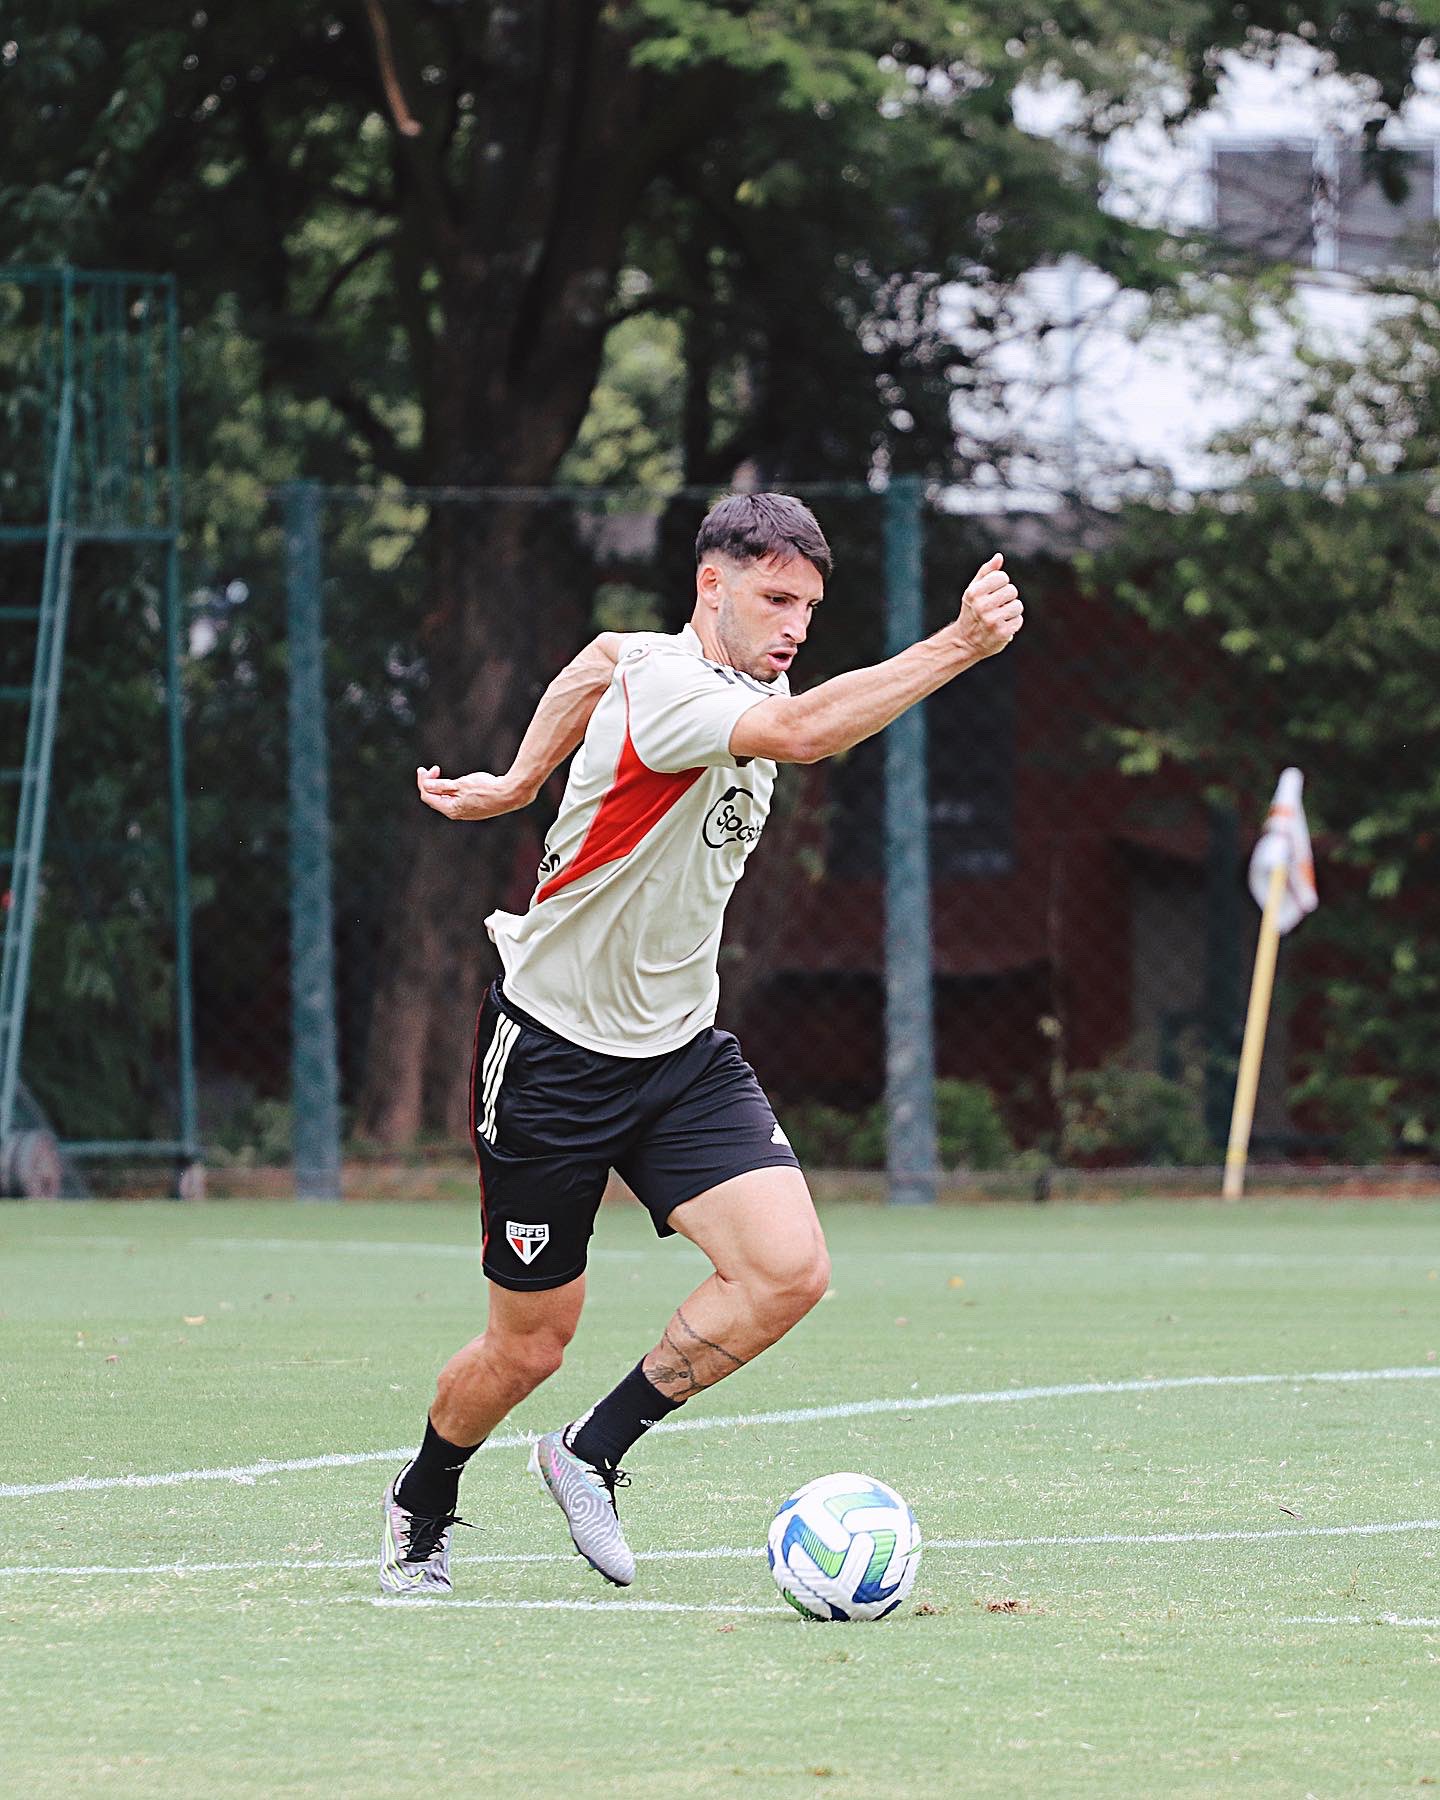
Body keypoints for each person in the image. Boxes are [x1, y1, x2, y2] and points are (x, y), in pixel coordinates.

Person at [380, 491, 1023, 1594]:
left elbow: (591, 658)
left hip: (678, 1052)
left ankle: (589, 1452)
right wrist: (962, 643)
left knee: (788, 1270)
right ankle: (422, 1503)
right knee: (529, 1346)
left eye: (809, 611)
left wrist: (521, 781)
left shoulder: (665, 663)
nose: (793, 629)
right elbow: (809, 733)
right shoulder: (679, 686)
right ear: (710, 588)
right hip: (553, 1055)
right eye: (775, 600)